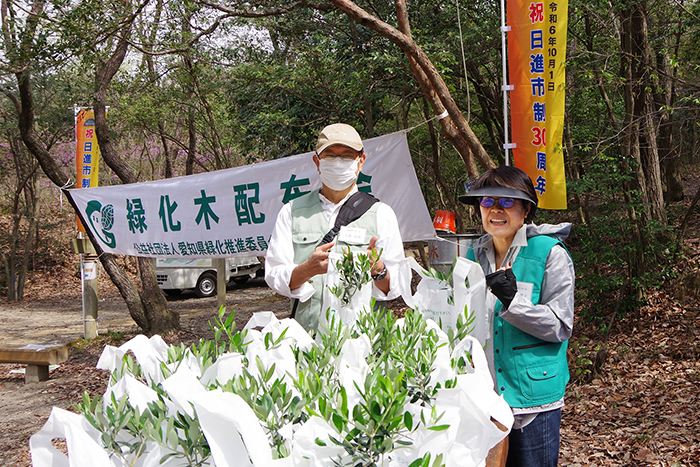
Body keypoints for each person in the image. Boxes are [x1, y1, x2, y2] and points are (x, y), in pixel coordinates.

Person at [458, 166, 575, 467]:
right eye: (487, 202)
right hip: (484, 397)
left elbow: (561, 326)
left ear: (526, 210)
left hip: (532, 398)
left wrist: (513, 301)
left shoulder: (549, 253)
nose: (496, 210)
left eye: (507, 202)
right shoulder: (472, 255)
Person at [265, 123, 405, 332]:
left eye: (347, 155)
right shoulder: (292, 211)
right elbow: (274, 275)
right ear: (317, 161)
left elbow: (396, 287)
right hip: (309, 341)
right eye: (330, 155)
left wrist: (378, 270)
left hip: (364, 344)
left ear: (360, 161)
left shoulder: (381, 214)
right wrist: (305, 270)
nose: (338, 162)